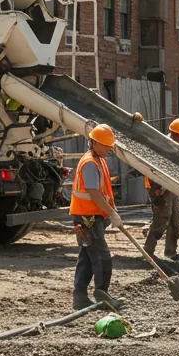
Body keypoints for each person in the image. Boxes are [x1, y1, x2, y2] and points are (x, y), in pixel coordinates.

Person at [69, 124, 123, 310]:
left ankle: (80, 298)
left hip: (90, 216)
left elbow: (104, 191)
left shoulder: (99, 160)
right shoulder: (90, 163)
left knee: (87, 256)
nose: (109, 148)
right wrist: (111, 213)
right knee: (101, 256)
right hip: (86, 218)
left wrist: (112, 210)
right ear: (95, 143)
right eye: (107, 145)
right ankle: (102, 295)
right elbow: (93, 192)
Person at [144, 118, 179, 259]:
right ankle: (148, 251)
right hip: (159, 188)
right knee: (162, 219)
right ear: (175, 134)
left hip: (172, 187)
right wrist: (157, 189)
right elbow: (152, 170)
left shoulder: (177, 147)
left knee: (176, 220)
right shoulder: (161, 146)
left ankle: (171, 252)